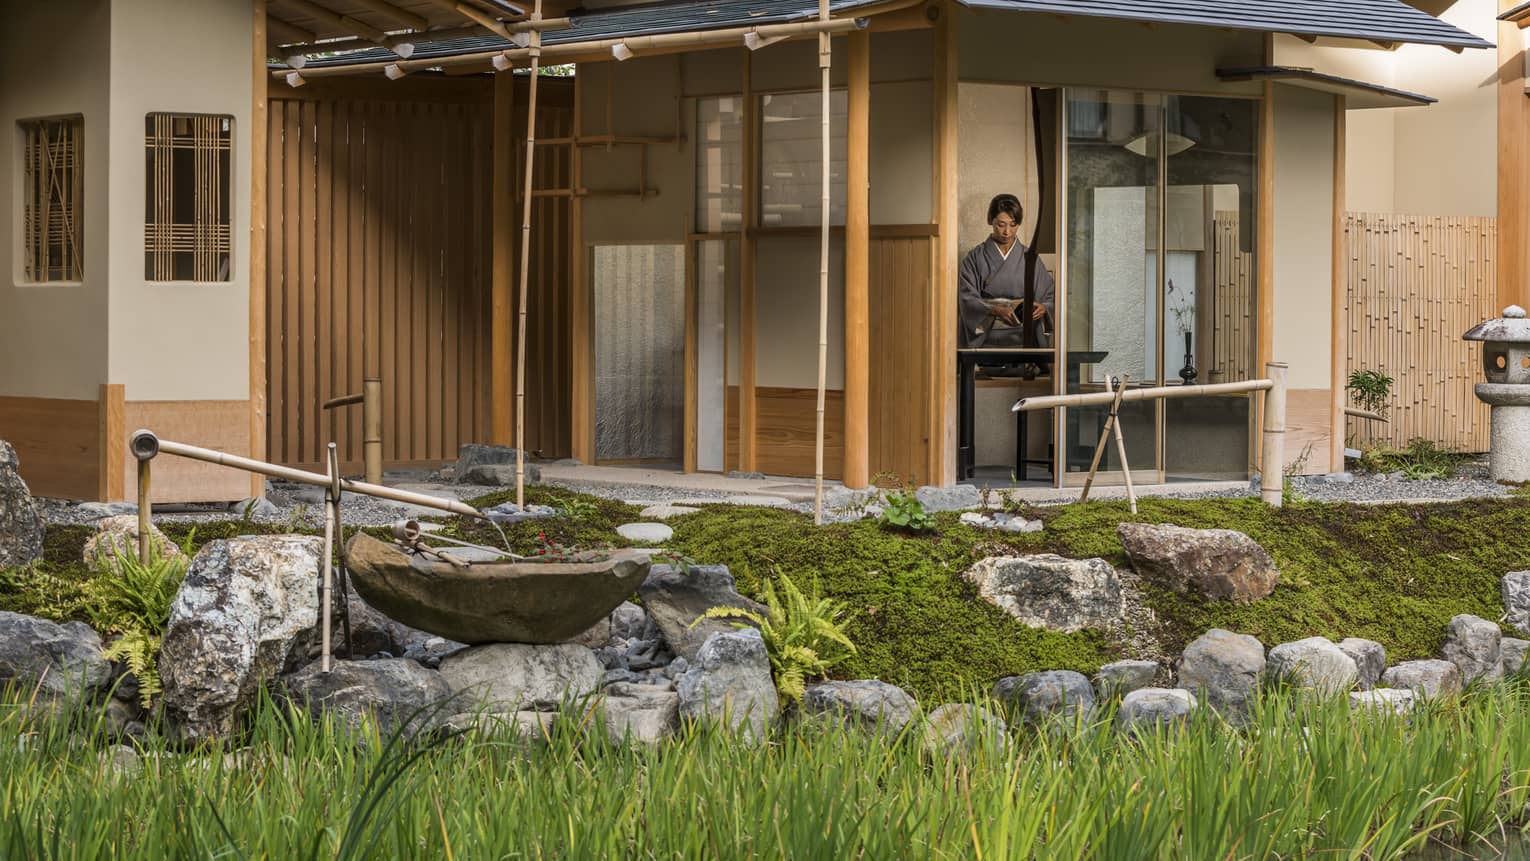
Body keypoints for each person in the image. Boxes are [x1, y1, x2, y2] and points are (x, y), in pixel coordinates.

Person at [957, 193, 1055, 349]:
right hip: (985, 335)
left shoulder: (1030, 258)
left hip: (1024, 336)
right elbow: (967, 299)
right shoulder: (974, 258)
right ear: (990, 221)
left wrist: (1044, 308)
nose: (1007, 232)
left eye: (1013, 224)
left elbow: (1050, 296)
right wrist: (995, 310)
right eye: (1001, 225)